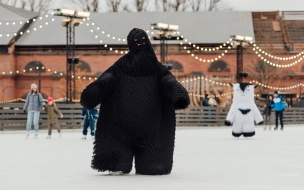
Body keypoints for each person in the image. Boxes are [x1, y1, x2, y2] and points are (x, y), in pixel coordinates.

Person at [80, 28, 189, 175]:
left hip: (133, 124)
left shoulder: (145, 68)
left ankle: (133, 162)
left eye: (141, 40)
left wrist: (179, 96)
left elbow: (169, 82)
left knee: (151, 167)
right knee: (147, 165)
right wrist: (91, 95)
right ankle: (125, 162)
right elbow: (106, 81)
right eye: (136, 40)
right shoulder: (144, 67)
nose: (139, 42)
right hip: (137, 125)